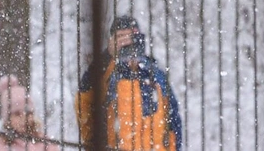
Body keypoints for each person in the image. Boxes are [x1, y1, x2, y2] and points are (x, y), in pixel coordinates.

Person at [75, 15, 183, 151]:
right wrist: (108, 56)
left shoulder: (155, 74)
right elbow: (84, 102)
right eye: (120, 37)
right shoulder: (106, 72)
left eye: (130, 36)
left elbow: (173, 121)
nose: (126, 42)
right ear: (111, 41)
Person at [0, 74, 61, 151]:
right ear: (7, 119)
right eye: (17, 114)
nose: (24, 117)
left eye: (28, 113)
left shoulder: (46, 143)